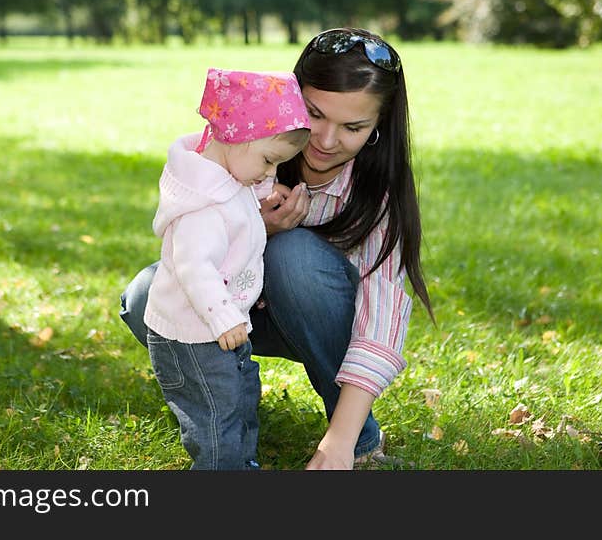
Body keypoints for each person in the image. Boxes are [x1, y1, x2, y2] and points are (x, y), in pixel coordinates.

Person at [121, 28, 434, 470]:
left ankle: (356, 436)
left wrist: (340, 443)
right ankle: (224, 397)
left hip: (323, 318)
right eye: (314, 114)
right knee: (145, 295)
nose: (325, 140)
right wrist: (256, 229)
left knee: (294, 259)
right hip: (242, 314)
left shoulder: (378, 194)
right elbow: (189, 242)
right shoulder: (246, 148)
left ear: (378, 127)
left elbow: (380, 323)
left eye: (353, 127)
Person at [141, 67, 311, 470]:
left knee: (240, 396)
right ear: (235, 137)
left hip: (223, 327)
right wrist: (221, 316)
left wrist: (266, 189)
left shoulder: (228, 175)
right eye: (270, 161)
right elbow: (193, 265)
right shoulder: (204, 207)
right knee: (216, 415)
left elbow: (244, 186)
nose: (271, 172)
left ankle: (242, 464)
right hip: (197, 332)